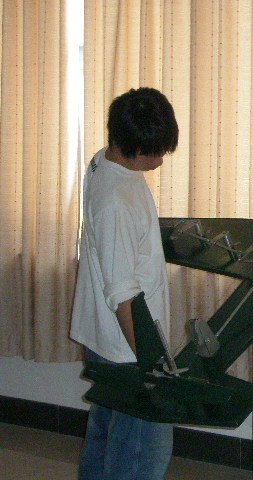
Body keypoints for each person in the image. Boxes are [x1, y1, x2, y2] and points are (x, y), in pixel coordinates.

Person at [70, 87, 179, 480]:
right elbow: (122, 295)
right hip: (125, 347)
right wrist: (152, 366)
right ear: (133, 148)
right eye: (156, 152)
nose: (161, 159)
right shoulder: (116, 201)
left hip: (103, 338)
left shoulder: (103, 161)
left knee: (104, 439)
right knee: (142, 453)